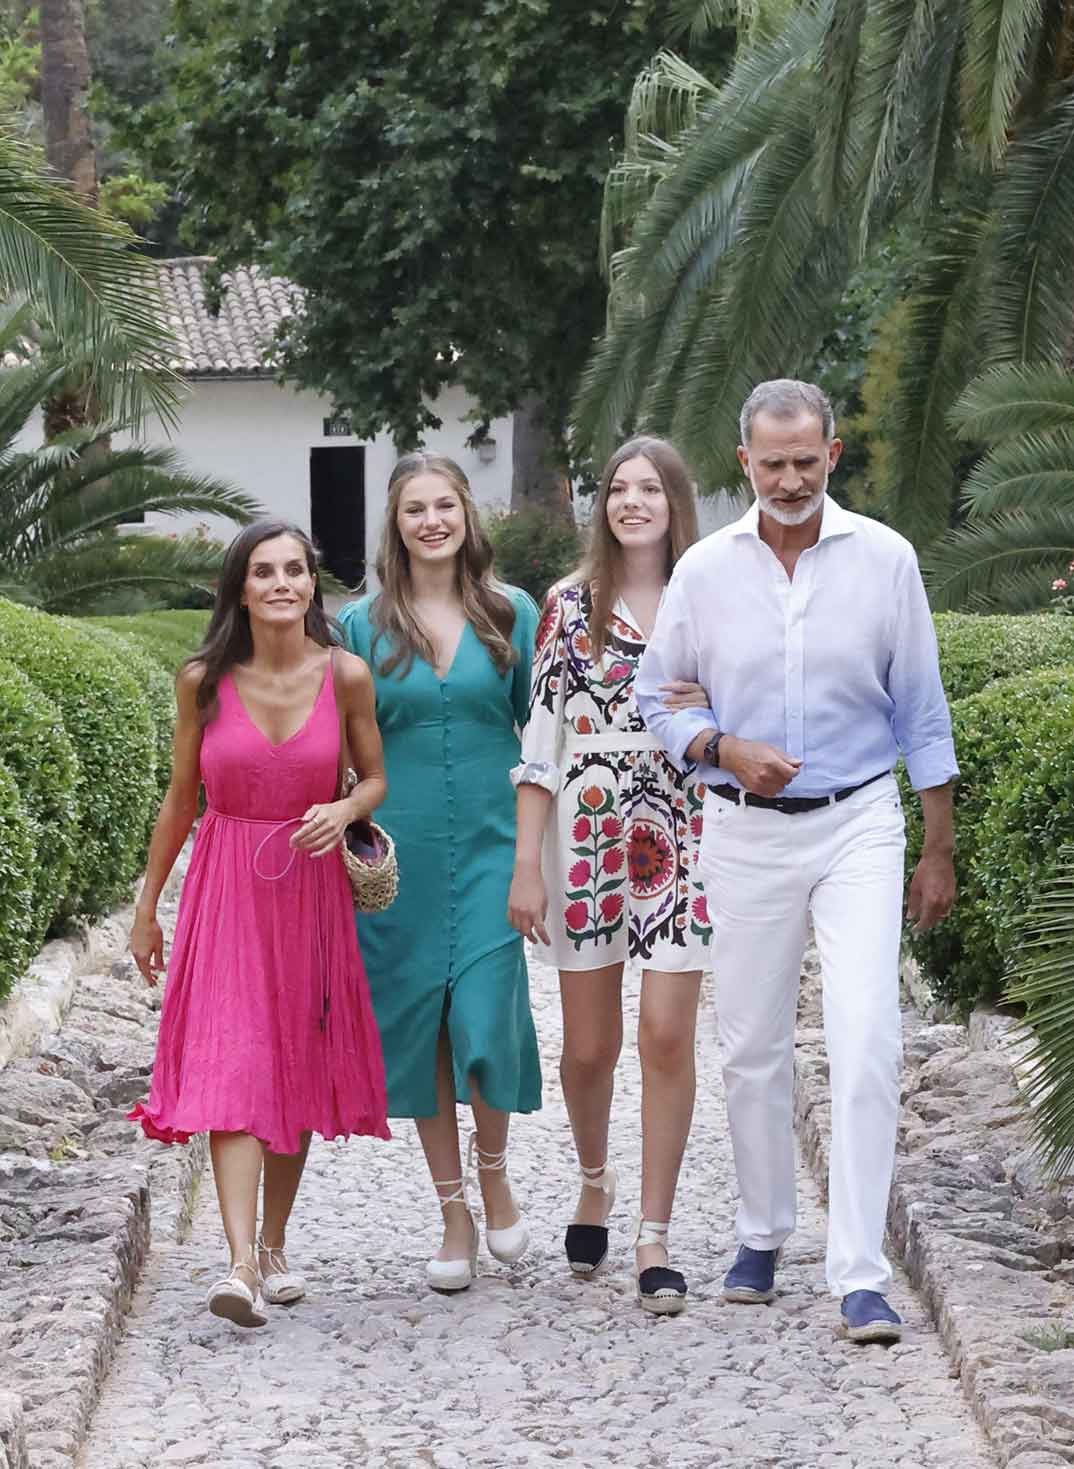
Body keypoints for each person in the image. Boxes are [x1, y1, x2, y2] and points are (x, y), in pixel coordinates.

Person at [635, 380, 958, 1343]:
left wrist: (937, 846)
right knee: (751, 1045)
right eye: (770, 463)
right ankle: (762, 1230)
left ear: (834, 454)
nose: (787, 479)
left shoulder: (887, 560)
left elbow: (922, 710)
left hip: (859, 819)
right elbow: (660, 698)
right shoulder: (702, 570)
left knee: (866, 1038)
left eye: (804, 462)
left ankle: (859, 1271)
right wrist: (721, 747)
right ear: (744, 462)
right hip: (742, 826)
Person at [129, 520, 390, 1328]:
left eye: (296, 570)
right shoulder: (202, 678)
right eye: (264, 571)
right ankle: (239, 1263)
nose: (282, 583)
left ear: (313, 584)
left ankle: (274, 1243)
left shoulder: (346, 674)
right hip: (227, 887)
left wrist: (344, 805)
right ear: (240, 587)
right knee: (236, 1064)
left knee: (295, 1061)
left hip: (310, 890)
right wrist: (148, 905)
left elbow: (377, 777)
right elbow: (180, 799)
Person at [508, 436, 712, 1314]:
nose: (633, 501)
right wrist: (528, 863)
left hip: (685, 825)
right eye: (619, 488)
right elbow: (541, 742)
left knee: (667, 1034)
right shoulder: (567, 605)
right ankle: (594, 1176)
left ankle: (654, 1234)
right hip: (587, 830)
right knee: (589, 1045)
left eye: (650, 487)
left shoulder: (712, 594)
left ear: (676, 500)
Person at [338, 453, 541, 1293]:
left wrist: (536, 857)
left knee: (487, 1023)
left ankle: (493, 1167)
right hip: (402, 854)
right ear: (397, 523)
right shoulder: (359, 625)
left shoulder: (514, 613)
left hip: (495, 845)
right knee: (422, 1026)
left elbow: (545, 738)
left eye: (445, 505)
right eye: (415, 508)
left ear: (467, 515)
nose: (432, 520)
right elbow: (339, 744)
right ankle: (453, 1208)